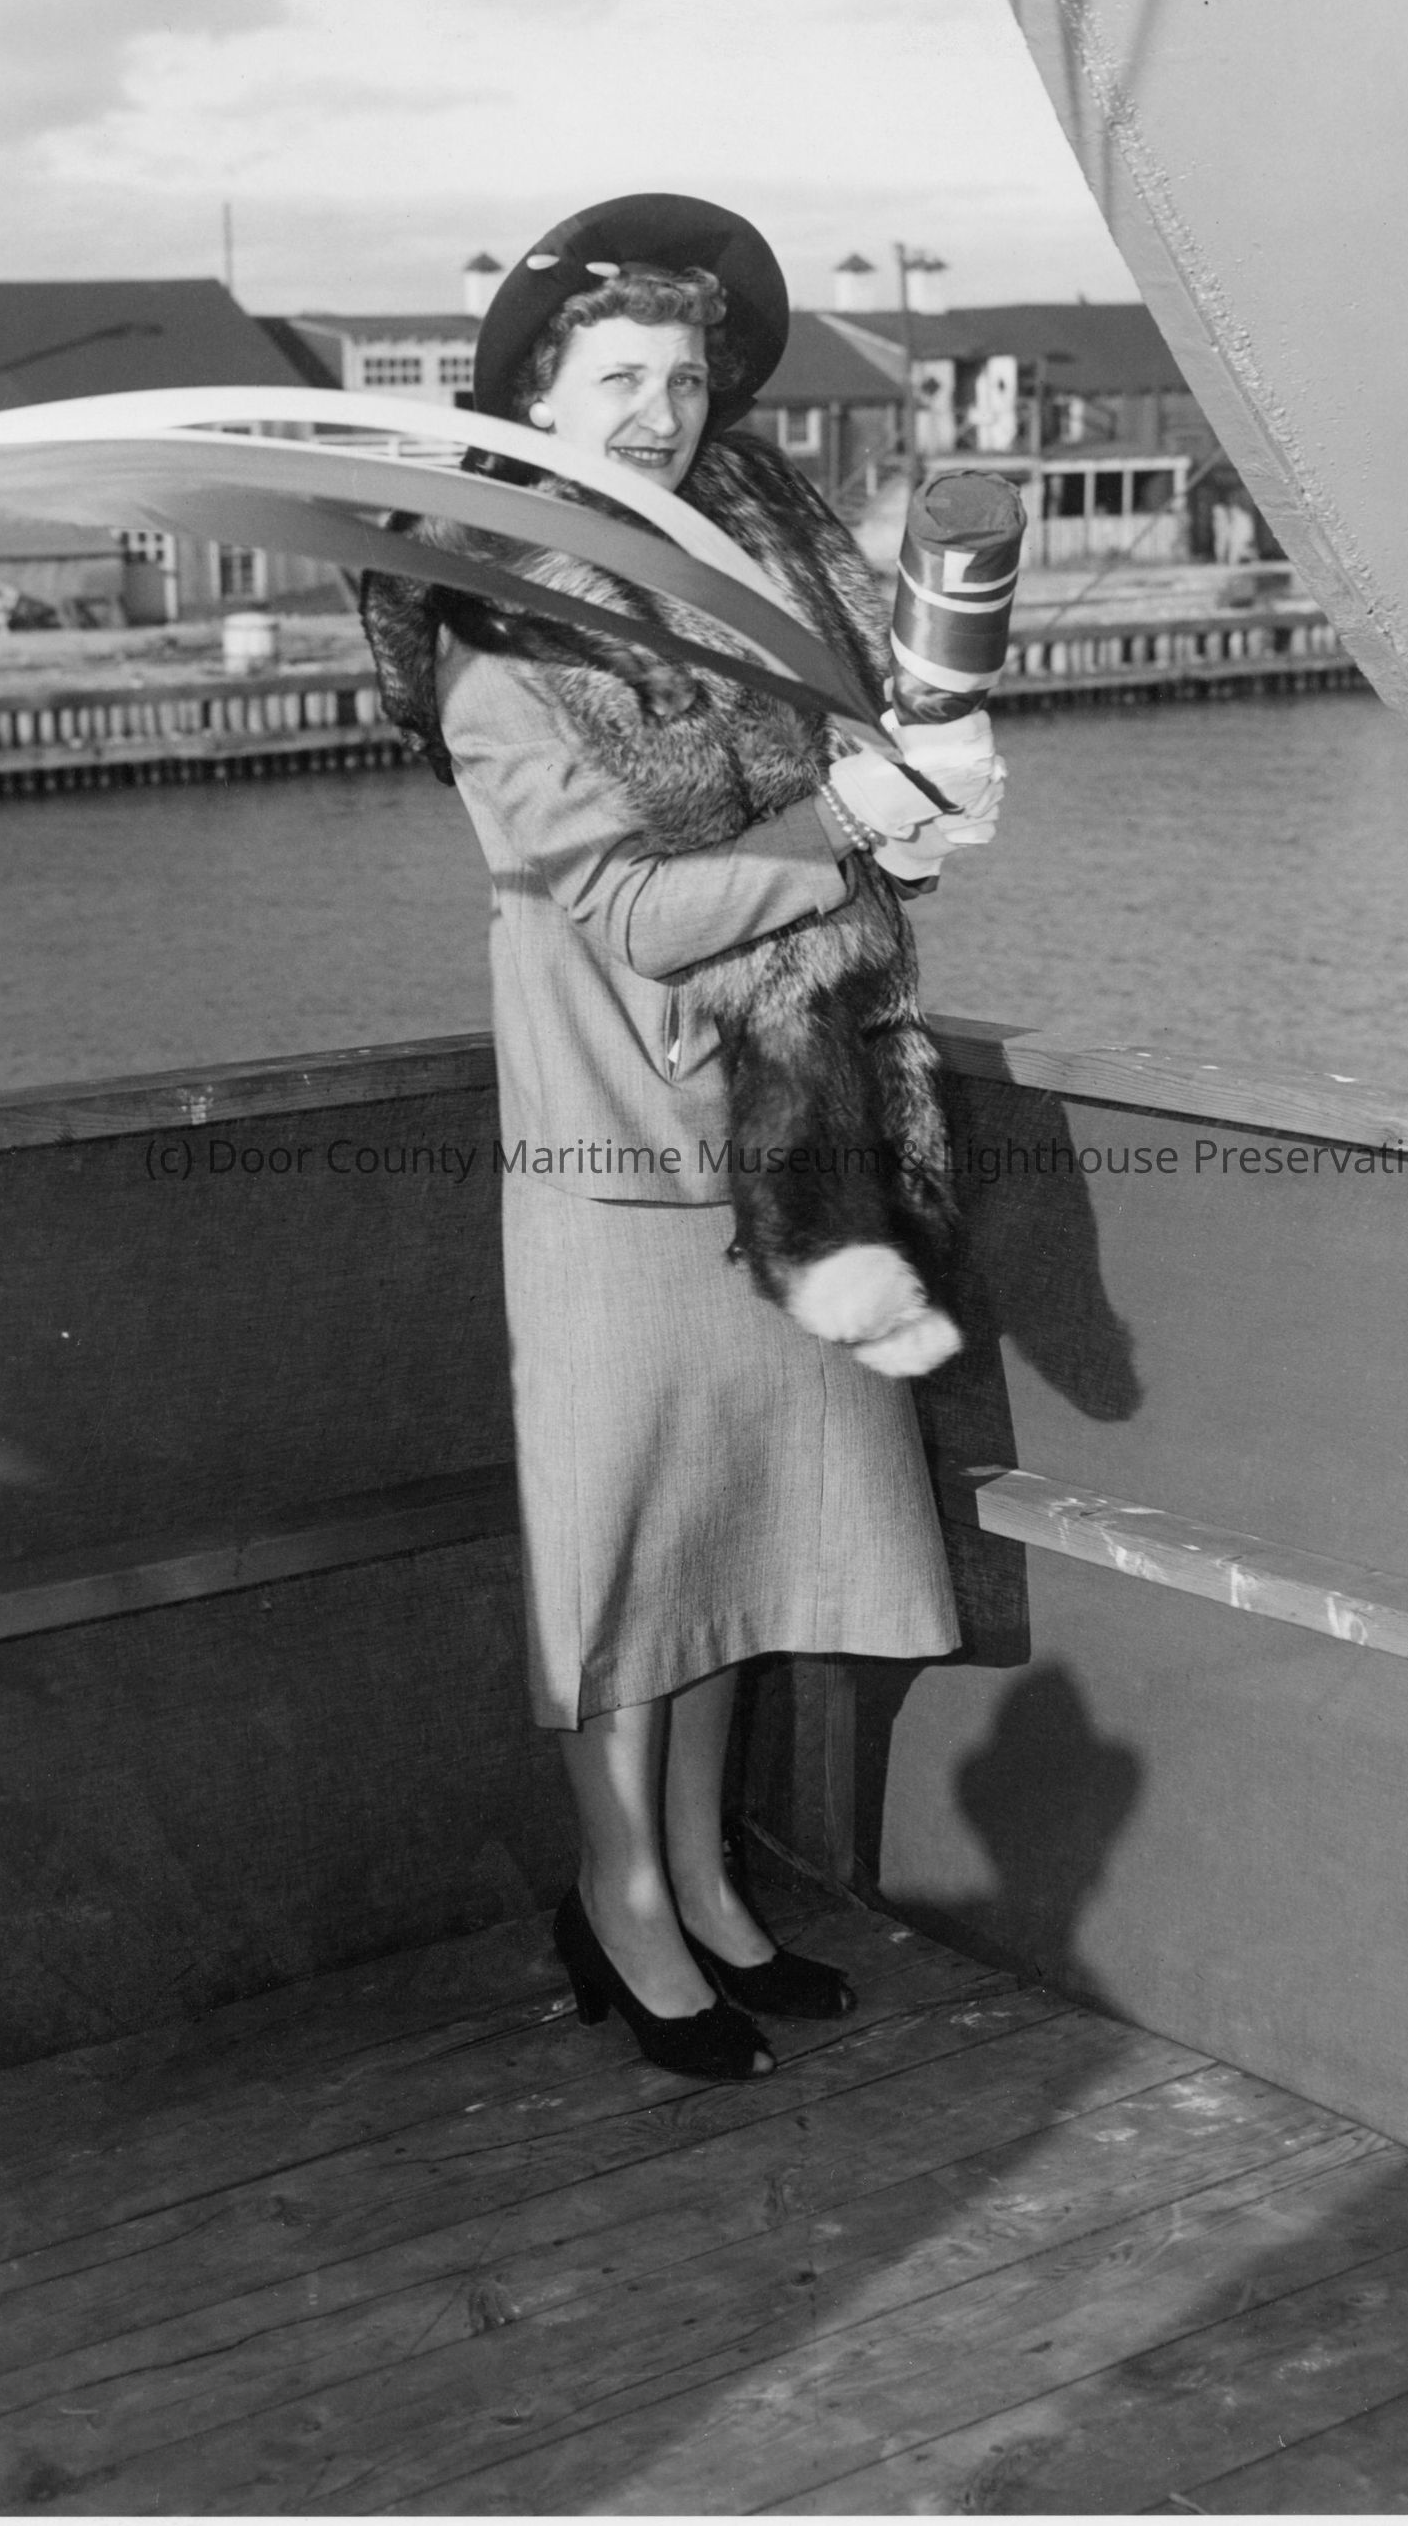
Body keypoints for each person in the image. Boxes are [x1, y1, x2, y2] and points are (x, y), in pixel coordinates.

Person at [360, 195, 1001, 2084]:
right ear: (536, 399)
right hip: (615, 1152)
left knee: (731, 1541)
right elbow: (633, 910)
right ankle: (620, 1894)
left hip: (776, 1136)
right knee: (626, 1553)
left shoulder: (732, 613)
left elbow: (813, 834)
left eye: (687, 379)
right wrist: (845, 824)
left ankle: (706, 1880)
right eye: (618, 376)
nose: (659, 410)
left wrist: (910, 804)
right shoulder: (492, 642)